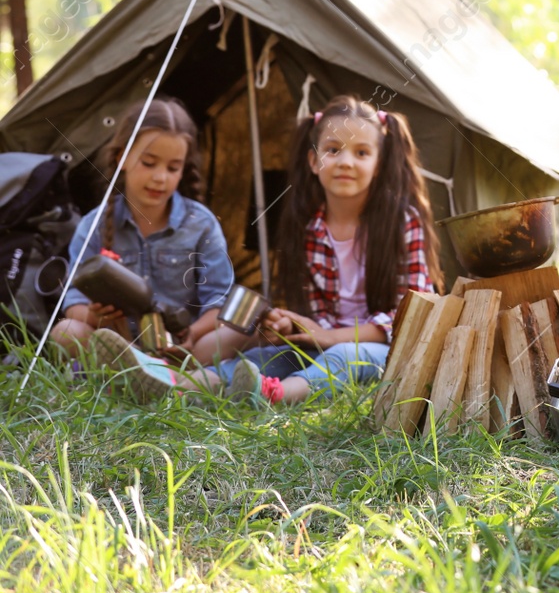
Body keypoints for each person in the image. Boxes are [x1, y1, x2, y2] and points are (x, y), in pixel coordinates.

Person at [184, 96, 440, 405]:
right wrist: (293, 324)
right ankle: (190, 382)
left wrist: (331, 337)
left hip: (387, 349)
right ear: (313, 161)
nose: (346, 162)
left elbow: (411, 314)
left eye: (361, 152)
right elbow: (320, 321)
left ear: (379, 164)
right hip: (321, 344)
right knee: (266, 356)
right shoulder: (310, 229)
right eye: (333, 150)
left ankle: (274, 394)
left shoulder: (402, 222)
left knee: (343, 355)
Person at [53, 98, 245, 394]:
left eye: (172, 168)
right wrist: (96, 316)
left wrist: (189, 336)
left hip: (183, 352)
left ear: (183, 170)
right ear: (122, 158)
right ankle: (158, 379)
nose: (160, 177)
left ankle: (154, 379)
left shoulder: (201, 223)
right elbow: (73, 302)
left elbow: (218, 304)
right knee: (66, 333)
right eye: (149, 162)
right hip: (118, 346)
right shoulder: (93, 224)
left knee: (238, 330)